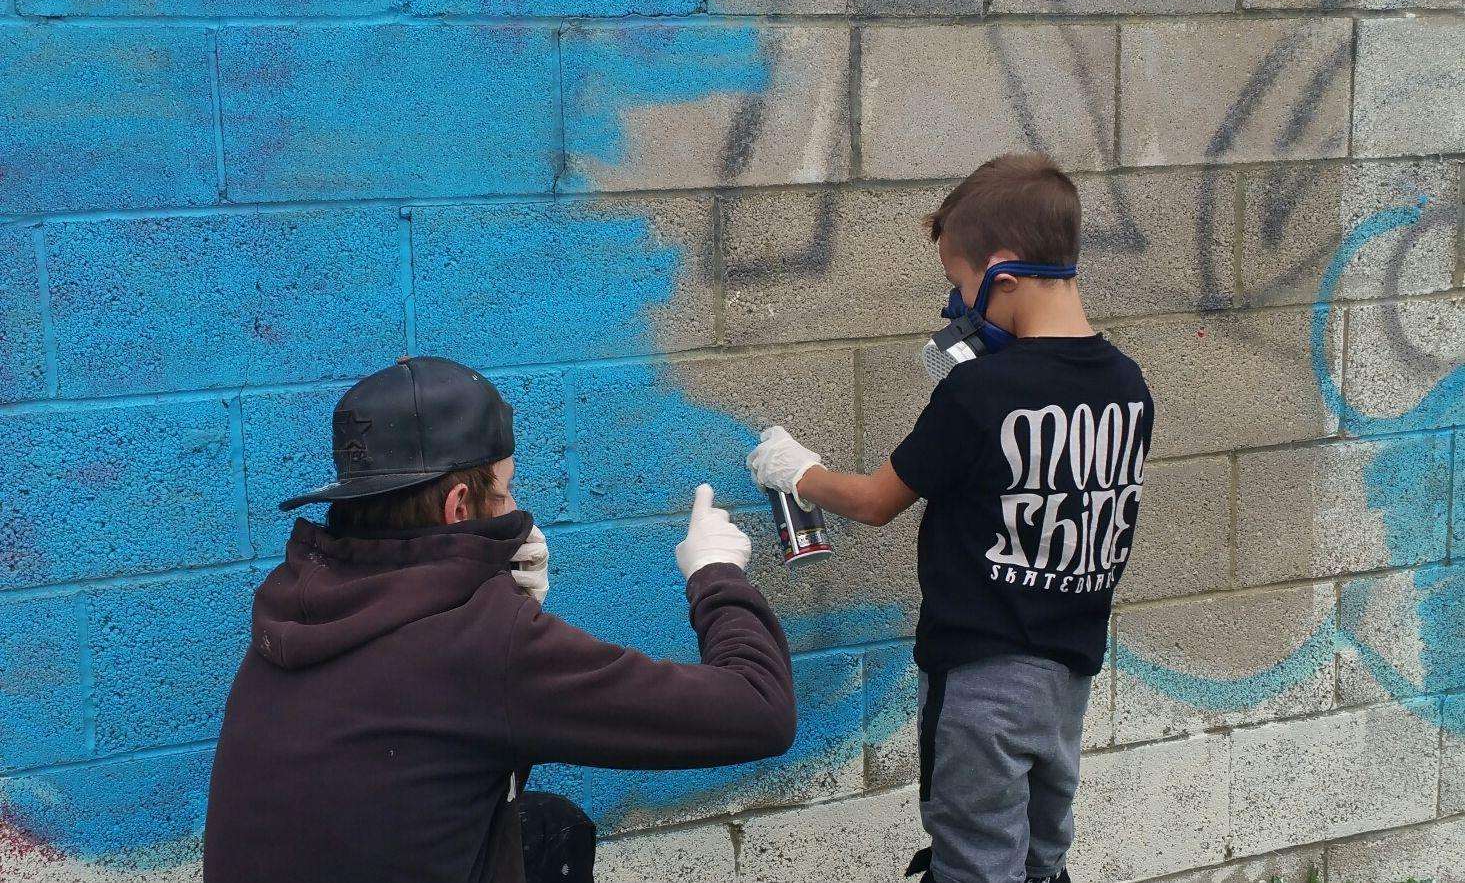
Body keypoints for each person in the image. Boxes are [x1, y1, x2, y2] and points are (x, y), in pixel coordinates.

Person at [204, 355, 796, 883]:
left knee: (549, 832)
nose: (514, 511)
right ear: (459, 505)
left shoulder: (291, 610)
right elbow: (760, 709)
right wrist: (716, 574)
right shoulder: (482, 642)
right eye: (507, 492)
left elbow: (438, 745)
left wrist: (497, 600)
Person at [747, 154, 1154, 883]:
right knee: (1040, 861)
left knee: (971, 865)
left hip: (981, 685)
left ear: (1000, 273)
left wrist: (796, 471)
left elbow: (876, 503)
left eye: (960, 284)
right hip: (1070, 682)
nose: (956, 306)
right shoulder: (1128, 387)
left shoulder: (978, 393)